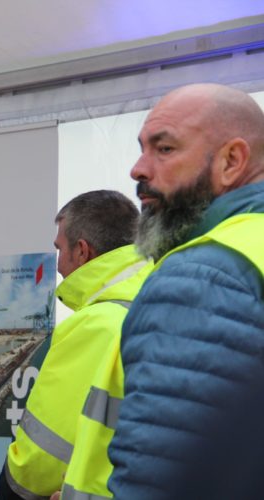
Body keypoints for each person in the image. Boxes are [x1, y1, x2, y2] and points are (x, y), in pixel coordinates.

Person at [107, 83, 264, 499]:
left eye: (165, 149)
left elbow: (159, 476)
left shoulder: (200, 275)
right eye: (143, 148)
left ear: (232, 161)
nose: (138, 170)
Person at [0, 190, 151, 500]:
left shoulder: (94, 324)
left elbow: (44, 454)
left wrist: (11, 487)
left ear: (82, 251)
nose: (57, 264)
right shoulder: (160, 301)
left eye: (59, 249)